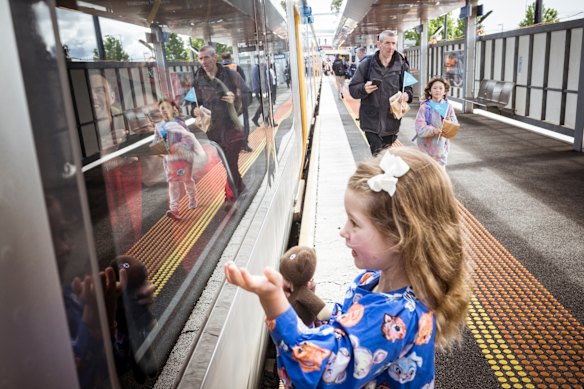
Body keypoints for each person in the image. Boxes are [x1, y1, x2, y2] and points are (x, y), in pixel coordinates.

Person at [224, 148, 471, 388]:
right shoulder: (372, 280)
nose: (343, 231)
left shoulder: (395, 318)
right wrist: (305, 310)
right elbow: (345, 334)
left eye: (354, 222)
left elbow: (320, 373)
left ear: (400, 236)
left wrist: (273, 301)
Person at [89, 73, 143, 252]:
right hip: (100, 223)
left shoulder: (129, 124)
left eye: (99, 90)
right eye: (89, 91)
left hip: (136, 212)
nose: (93, 96)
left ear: (112, 97)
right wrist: (101, 160)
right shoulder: (79, 135)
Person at [192, 45, 247, 203]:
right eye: (200, 58)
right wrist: (194, 111)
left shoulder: (231, 75)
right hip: (213, 130)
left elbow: (247, 95)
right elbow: (193, 103)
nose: (203, 61)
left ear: (214, 57)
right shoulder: (197, 78)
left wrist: (235, 99)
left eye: (206, 57)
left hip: (232, 128)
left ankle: (230, 197)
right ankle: (240, 186)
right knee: (227, 164)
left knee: (230, 163)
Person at [349, 30, 414, 155]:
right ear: (379, 44)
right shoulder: (366, 64)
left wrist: (407, 95)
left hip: (392, 121)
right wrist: (363, 89)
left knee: (385, 155)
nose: (391, 47)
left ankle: (382, 173)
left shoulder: (402, 65)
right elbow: (353, 89)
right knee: (378, 154)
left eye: (394, 43)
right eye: (387, 43)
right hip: (370, 120)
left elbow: (408, 89)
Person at [155, 99, 203, 220]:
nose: (165, 110)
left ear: (173, 109)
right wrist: (158, 150)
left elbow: (188, 140)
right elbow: (156, 141)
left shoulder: (179, 123)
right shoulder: (159, 126)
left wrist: (175, 147)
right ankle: (174, 209)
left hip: (183, 158)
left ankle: (192, 198)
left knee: (187, 180)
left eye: (167, 107)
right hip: (170, 160)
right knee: (172, 184)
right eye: (162, 109)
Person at [414, 77, 458, 167]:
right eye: (435, 88)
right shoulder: (424, 107)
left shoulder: (448, 107)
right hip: (425, 146)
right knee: (426, 169)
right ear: (429, 91)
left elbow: (455, 124)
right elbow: (419, 127)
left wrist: (449, 123)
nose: (438, 90)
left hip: (441, 146)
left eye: (441, 88)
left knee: (440, 171)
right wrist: (433, 130)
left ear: (445, 91)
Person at [222, 52, 253, 152]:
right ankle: (244, 144)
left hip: (229, 100)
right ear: (230, 59)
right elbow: (243, 81)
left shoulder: (220, 70)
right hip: (240, 98)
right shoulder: (236, 67)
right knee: (244, 120)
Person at [251, 61, 276, 128]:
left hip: (259, 90)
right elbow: (264, 80)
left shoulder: (256, 68)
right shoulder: (261, 68)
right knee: (266, 105)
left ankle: (265, 120)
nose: (270, 63)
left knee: (264, 106)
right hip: (261, 90)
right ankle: (267, 121)